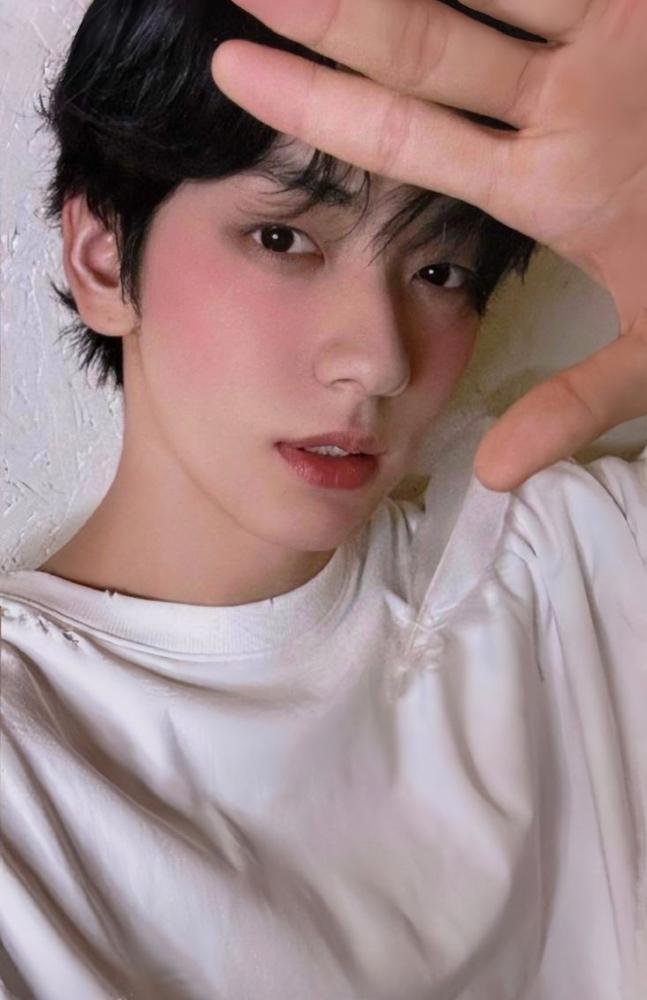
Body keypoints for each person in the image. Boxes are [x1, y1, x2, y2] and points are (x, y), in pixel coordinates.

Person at [0, 0, 645, 997]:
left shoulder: (567, 575)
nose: (380, 359)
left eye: (439, 270)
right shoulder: (26, 779)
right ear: (103, 256)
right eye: (282, 238)